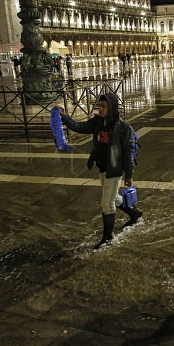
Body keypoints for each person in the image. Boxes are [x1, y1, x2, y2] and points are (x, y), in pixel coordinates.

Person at [57, 93, 143, 249]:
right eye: (99, 106)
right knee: (113, 197)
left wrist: (129, 175)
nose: (100, 109)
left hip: (115, 170)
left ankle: (108, 237)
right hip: (102, 167)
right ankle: (134, 213)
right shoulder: (98, 122)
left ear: (112, 107)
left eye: (103, 106)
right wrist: (64, 116)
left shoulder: (123, 128)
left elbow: (129, 153)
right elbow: (80, 127)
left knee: (106, 202)